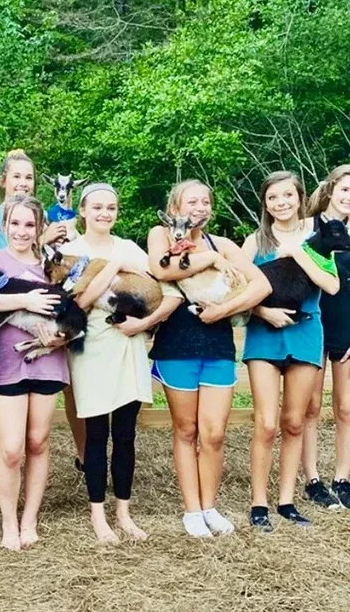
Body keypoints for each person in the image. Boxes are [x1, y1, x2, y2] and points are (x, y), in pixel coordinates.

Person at [148, 179, 270, 538]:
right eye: (191, 201)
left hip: (217, 344)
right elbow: (163, 270)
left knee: (213, 432)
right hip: (177, 344)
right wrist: (212, 259)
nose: (198, 207)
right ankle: (191, 511)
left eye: (204, 201)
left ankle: (209, 506)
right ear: (175, 209)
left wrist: (223, 311)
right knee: (186, 430)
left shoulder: (226, 244)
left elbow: (260, 285)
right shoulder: (161, 234)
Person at [60, 183, 181, 542]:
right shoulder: (71, 251)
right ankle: (98, 514)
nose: (104, 214)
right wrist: (113, 268)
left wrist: (144, 323)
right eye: (97, 207)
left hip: (128, 347)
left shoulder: (131, 248)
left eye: (111, 208)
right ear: (82, 210)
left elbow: (168, 290)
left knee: (125, 435)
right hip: (92, 349)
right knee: (96, 435)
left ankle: (124, 512)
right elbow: (75, 303)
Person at [242, 171, 340, 530]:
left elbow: (330, 285)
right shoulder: (255, 242)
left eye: (287, 196)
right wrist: (262, 310)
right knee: (267, 424)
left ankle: (287, 502)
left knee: (295, 422)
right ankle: (259, 504)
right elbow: (234, 287)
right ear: (265, 204)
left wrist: (299, 253)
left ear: (299, 198)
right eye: (273, 198)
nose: (281, 203)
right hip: (264, 336)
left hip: (305, 332)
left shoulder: (317, 239)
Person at [0, 149, 85, 469]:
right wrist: (42, 236)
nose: (23, 183)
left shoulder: (48, 216)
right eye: (17, 176)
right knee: (12, 436)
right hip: (10, 317)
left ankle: (85, 459)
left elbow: (58, 267)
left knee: (67, 395)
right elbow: (0, 265)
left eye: (29, 177)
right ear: (3, 181)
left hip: (51, 313)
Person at [0, 195, 69, 551]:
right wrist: (26, 301)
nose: (22, 231)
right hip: (7, 360)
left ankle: (30, 520)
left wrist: (61, 337)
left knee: (38, 441)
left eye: (30, 224)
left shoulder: (52, 265)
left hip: (48, 358)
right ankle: (8, 524)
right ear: (4, 226)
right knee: (11, 448)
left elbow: (73, 304)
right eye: (15, 223)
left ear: (40, 228)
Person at [301, 165, 350, 509]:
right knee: (312, 406)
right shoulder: (307, 229)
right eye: (346, 189)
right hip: (313, 325)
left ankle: (343, 478)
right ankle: (312, 479)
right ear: (331, 190)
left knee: (346, 408)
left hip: (347, 329)